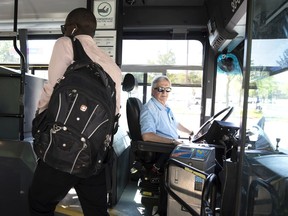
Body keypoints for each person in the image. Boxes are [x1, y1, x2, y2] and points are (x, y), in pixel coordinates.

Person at [29, 8, 121, 216]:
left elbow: (52, 88)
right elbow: (114, 112)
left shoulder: (66, 43)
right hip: (96, 152)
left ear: (72, 27)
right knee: (96, 211)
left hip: (64, 146)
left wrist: (39, 120)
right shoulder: (112, 65)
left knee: (39, 203)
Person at [140, 75, 193, 174]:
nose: (164, 93)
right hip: (165, 150)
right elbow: (147, 136)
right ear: (152, 90)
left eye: (167, 89)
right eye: (160, 89)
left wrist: (191, 132)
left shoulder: (165, 107)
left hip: (173, 146)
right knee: (197, 158)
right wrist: (173, 141)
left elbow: (175, 123)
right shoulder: (149, 109)